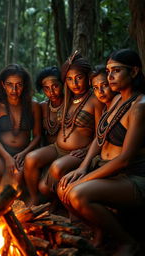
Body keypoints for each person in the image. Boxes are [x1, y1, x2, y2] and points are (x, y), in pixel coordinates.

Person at [58, 49, 145, 256]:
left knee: (77, 193)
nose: (110, 77)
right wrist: (82, 168)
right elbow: (100, 137)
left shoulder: (139, 107)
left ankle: (128, 242)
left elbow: (124, 160)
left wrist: (83, 181)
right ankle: (100, 230)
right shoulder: (116, 100)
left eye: (116, 71)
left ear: (133, 72)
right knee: (63, 187)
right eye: (108, 71)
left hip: (132, 176)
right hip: (106, 168)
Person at [38, 52, 104, 198]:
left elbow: (101, 134)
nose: (74, 84)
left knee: (50, 177)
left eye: (78, 78)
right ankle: (41, 201)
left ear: (88, 78)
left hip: (79, 152)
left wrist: (87, 149)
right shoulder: (68, 99)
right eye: (69, 79)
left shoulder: (95, 100)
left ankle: (61, 206)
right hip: (59, 148)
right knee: (42, 187)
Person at [0, 64, 41, 187]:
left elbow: (37, 136)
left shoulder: (33, 106)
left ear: (24, 85)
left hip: (23, 151)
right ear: (3, 85)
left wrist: (24, 153)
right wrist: (6, 157)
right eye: (9, 84)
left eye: (18, 85)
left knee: (15, 178)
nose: (14, 90)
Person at [24, 66, 64, 205]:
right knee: (30, 159)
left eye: (55, 86)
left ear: (62, 85)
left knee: (44, 187)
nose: (51, 92)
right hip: (50, 151)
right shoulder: (43, 107)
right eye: (46, 88)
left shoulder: (70, 104)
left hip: (67, 151)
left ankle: (55, 203)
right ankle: (34, 198)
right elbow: (39, 135)